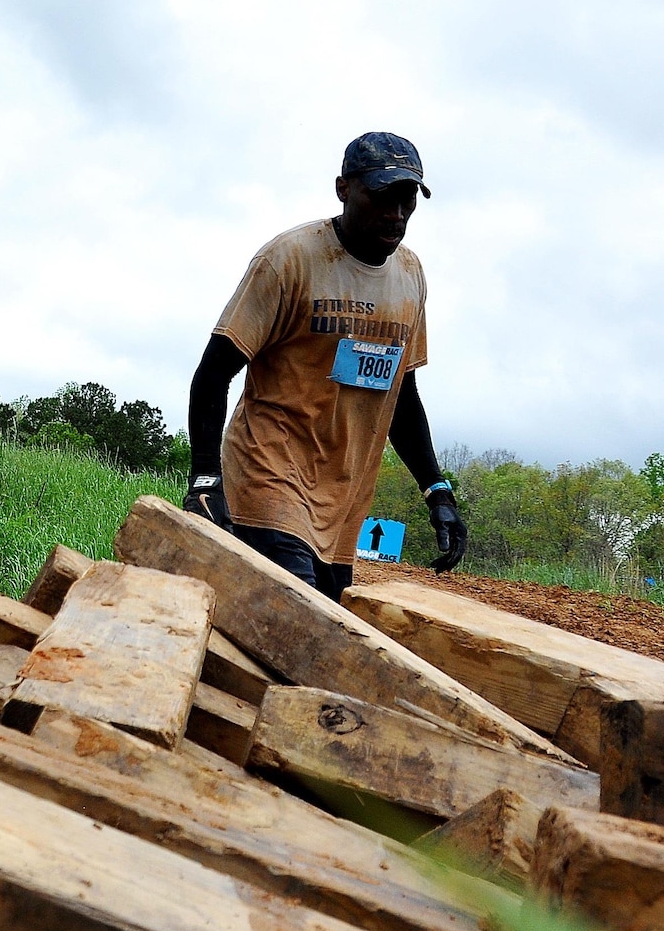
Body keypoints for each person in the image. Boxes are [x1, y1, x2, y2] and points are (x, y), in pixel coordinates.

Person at [181, 131, 465, 604]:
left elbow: (402, 396)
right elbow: (214, 372)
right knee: (300, 628)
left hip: (340, 507)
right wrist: (206, 478)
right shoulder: (288, 261)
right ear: (343, 188)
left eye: (406, 200)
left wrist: (437, 490)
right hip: (267, 483)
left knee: (313, 641)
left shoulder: (410, 277)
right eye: (381, 196)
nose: (395, 215)